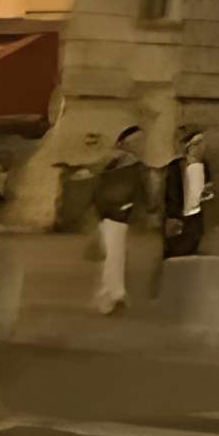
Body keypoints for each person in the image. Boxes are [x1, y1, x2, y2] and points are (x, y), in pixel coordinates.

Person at [92, 125, 146, 314]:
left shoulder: (127, 163)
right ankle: (111, 296)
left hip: (117, 215)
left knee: (115, 256)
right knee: (113, 256)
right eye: (136, 141)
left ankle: (114, 295)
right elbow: (107, 188)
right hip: (113, 214)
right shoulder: (119, 163)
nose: (140, 145)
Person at [161, 127, 212, 260]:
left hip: (195, 221)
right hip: (179, 221)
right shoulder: (175, 168)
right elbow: (171, 194)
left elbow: (205, 190)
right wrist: (173, 217)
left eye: (203, 143)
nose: (202, 147)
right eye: (198, 143)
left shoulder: (204, 166)